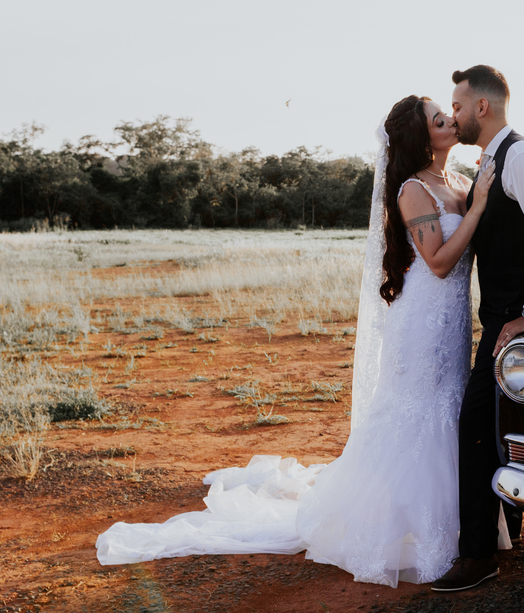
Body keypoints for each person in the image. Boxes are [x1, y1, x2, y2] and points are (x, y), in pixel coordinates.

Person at [95, 95, 496, 588]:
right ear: (422, 136)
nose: (451, 122)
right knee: (419, 414)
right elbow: (437, 262)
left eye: (447, 115)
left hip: (450, 325)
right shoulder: (414, 190)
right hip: (420, 327)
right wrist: (477, 208)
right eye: (440, 119)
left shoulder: (456, 180)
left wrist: (477, 194)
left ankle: (460, 527)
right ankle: (410, 535)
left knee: (450, 411)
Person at [430, 65, 524, 592]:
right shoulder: (491, 160)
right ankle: (506, 529)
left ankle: (477, 556)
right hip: (504, 314)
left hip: (518, 316)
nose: (456, 114)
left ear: (481, 107)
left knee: (475, 425)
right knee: (500, 424)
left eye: (459, 106)